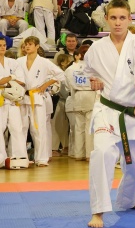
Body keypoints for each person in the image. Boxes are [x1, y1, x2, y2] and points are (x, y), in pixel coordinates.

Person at [85, 0, 135, 228]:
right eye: (113, 18)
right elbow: (86, 73)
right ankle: (98, 210)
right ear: (106, 19)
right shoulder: (96, 49)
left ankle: (128, 199)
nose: (118, 22)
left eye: (122, 18)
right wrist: (92, 81)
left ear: (130, 19)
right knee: (102, 153)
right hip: (107, 109)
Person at [17, 36, 65, 167]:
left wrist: (45, 85)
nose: (27, 46)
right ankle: (21, 157)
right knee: (21, 128)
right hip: (22, 97)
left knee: (39, 129)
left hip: (37, 97)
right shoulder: (19, 61)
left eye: (30, 44)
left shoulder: (44, 62)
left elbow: (60, 74)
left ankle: (42, 158)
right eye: (26, 44)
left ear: (37, 46)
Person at [64, 44, 95, 162]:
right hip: (90, 94)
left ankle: (78, 154)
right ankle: (89, 154)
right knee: (89, 126)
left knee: (78, 127)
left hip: (77, 95)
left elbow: (67, 86)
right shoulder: (93, 67)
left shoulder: (70, 69)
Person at [0, 36, 26, 168]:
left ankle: (19, 158)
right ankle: (1, 159)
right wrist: (11, 77)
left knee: (17, 129)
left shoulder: (13, 62)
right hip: (0, 101)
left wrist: (6, 81)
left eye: (4, 45)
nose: (2, 48)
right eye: (0, 45)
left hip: (13, 100)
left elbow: (22, 82)